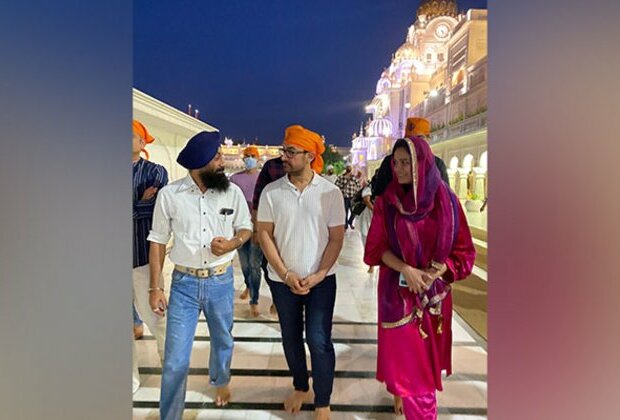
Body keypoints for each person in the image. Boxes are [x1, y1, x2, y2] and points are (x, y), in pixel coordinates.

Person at [364, 137, 476, 419]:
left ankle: (403, 390)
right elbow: (375, 250)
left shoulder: (447, 202)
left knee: (418, 369)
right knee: (417, 379)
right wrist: (406, 269)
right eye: (396, 163)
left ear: (422, 164)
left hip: (434, 302)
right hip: (398, 299)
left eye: (406, 163)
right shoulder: (387, 202)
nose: (399, 169)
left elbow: (464, 253)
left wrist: (439, 269)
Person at [147, 131, 253, 420]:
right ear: (200, 162)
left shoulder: (231, 192)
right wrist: (154, 288)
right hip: (184, 285)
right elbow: (157, 241)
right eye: (217, 156)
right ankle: (170, 415)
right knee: (174, 360)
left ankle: (221, 381)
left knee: (223, 340)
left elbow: (245, 227)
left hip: (221, 282)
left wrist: (232, 243)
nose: (222, 161)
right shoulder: (170, 195)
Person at [257, 125, 345, 420]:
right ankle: (300, 385)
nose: (284, 156)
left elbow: (336, 238)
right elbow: (264, 234)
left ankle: (323, 400)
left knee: (318, 339)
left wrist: (320, 273)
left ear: (310, 155)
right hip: (283, 282)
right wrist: (284, 273)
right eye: (284, 150)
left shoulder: (330, 193)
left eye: (291, 151)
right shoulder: (272, 192)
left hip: (321, 282)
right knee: (290, 337)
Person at [131, 119, 168, 394]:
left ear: (143, 142)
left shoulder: (155, 172)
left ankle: (171, 366)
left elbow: (158, 215)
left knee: (157, 317)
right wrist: (139, 204)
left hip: (143, 259)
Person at [251, 154, 286, 317]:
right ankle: (278, 298)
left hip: (297, 226)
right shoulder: (272, 166)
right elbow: (258, 197)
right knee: (268, 264)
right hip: (271, 222)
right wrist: (257, 229)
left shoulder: (314, 164)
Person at [230, 146, 263, 316]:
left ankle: (254, 299)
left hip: (257, 227)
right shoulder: (235, 179)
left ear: (258, 159)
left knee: (254, 264)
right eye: (247, 156)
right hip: (240, 228)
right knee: (244, 263)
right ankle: (249, 286)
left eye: (252, 156)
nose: (249, 159)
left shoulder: (263, 178)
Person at [405, 117, 450, 184]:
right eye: (409, 138)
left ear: (428, 139)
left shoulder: (437, 164)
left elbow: (444, 193)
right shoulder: (392, 163)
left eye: (419, 138)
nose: (414, 142)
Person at [335, 164, 361, 230]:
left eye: (350, 167)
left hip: (352, 197)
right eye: (348, 167)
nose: (349, 168)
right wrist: (341, 191)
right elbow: (336, 186)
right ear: (346, 168)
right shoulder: (341, 177)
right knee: (345, 211)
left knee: (354, 211)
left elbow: (358, 185)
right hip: (344, 197)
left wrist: (356, 192)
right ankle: (346, 224)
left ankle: (350, 221)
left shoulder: (353, 177)